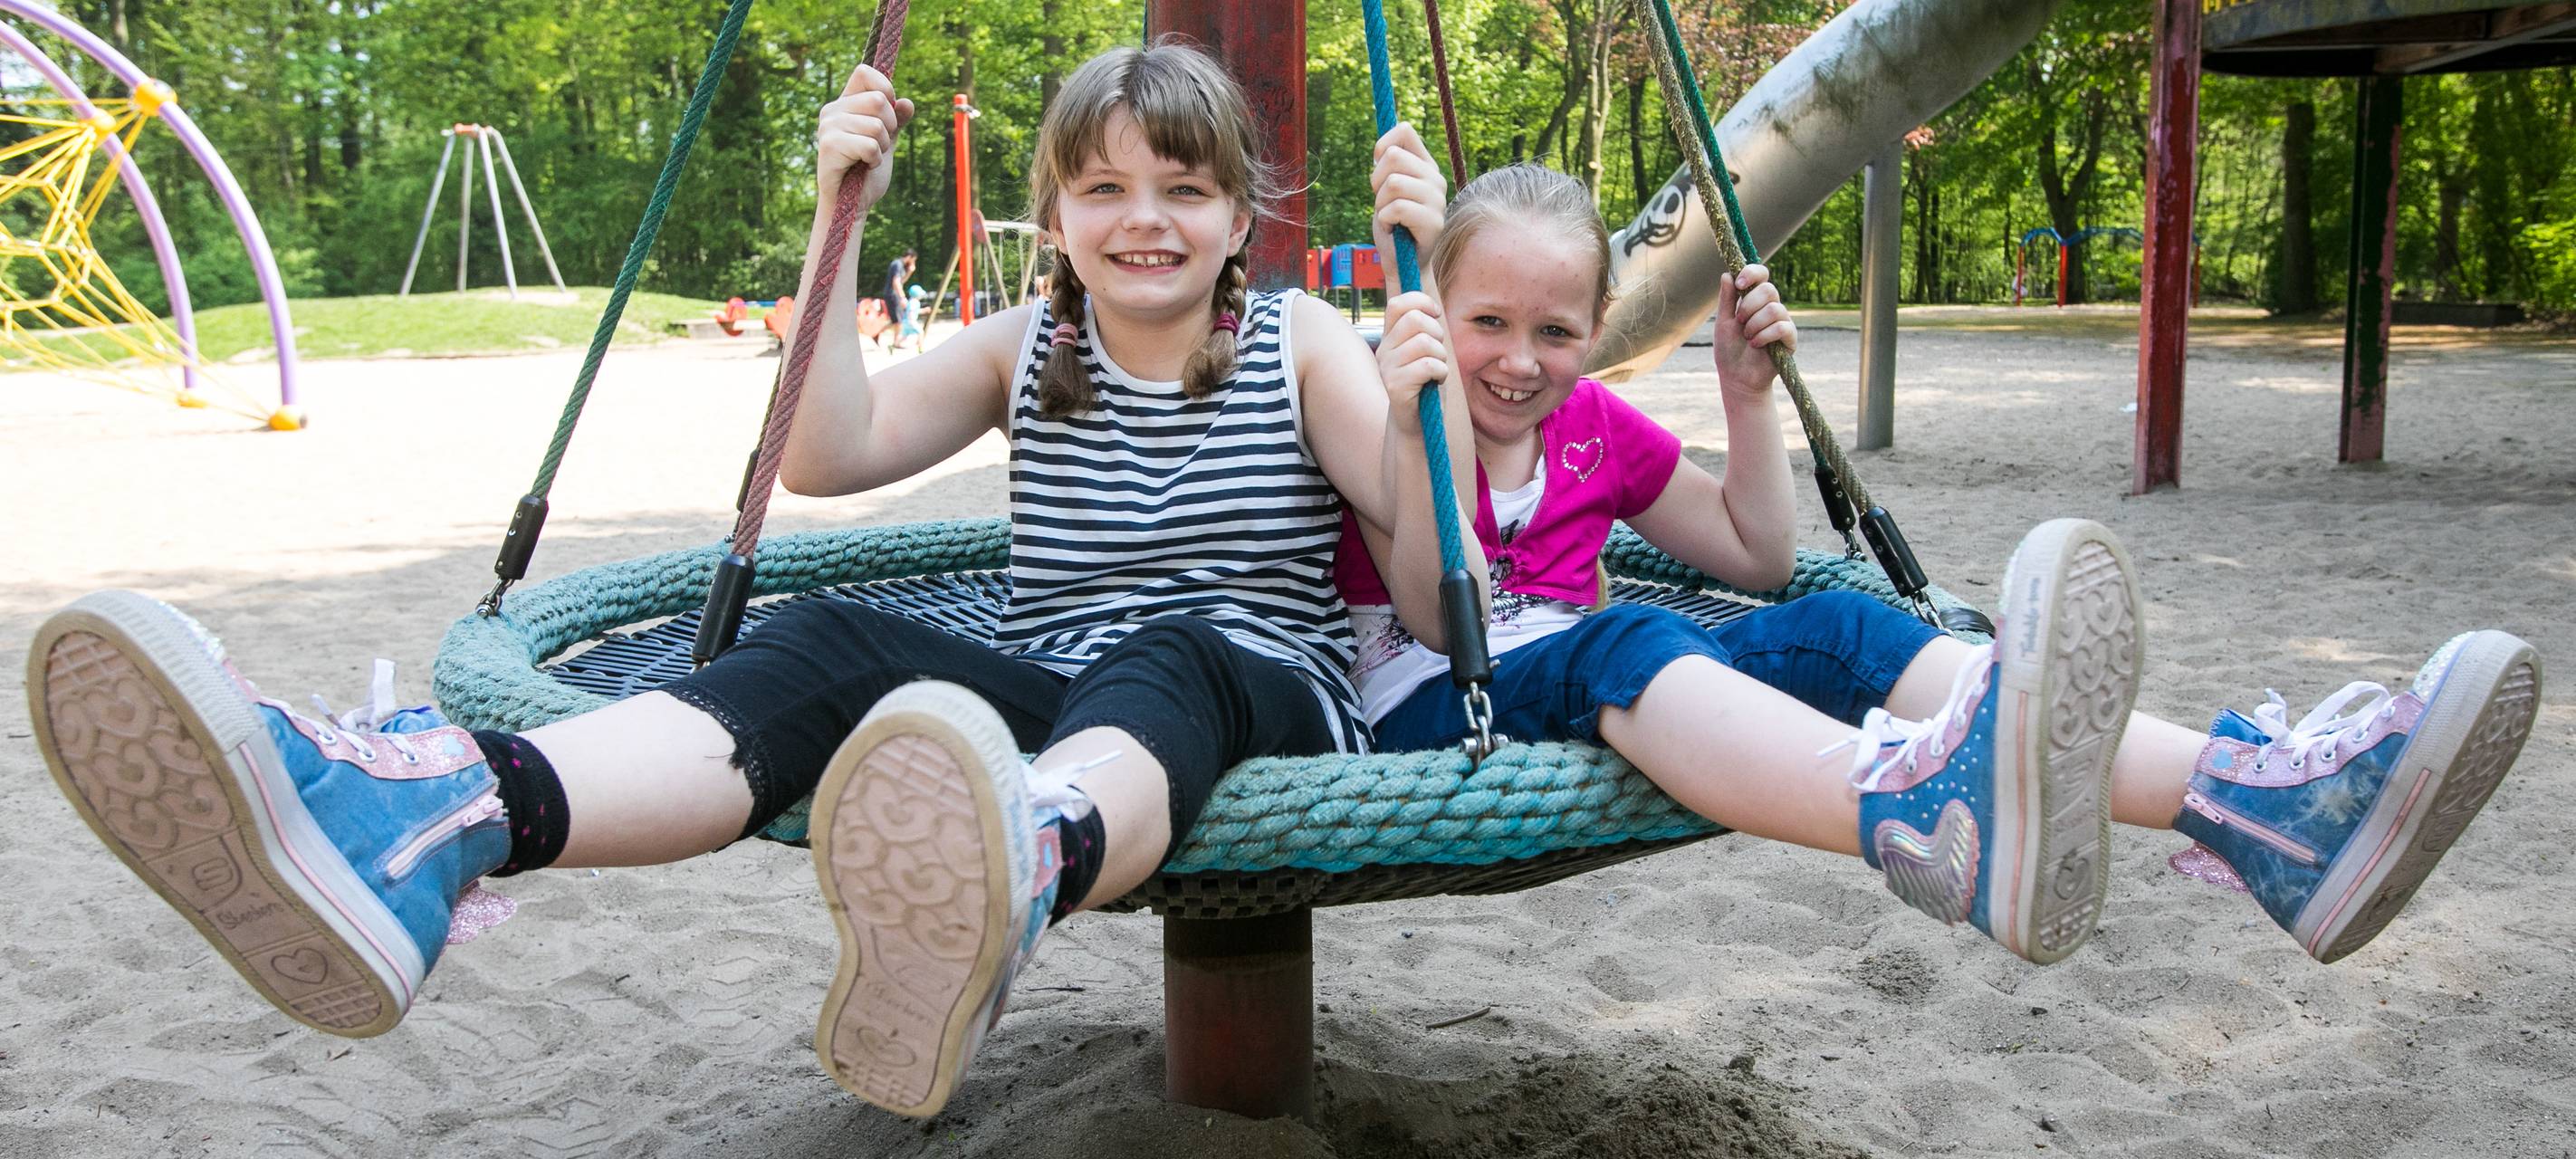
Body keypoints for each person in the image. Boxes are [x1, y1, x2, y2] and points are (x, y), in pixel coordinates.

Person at [23, 42, 1478, 1119]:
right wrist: (838, 221)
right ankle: (437, 819)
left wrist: (1436, 409)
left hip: (1258, 690)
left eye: (1183, 188)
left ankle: (1022, 860)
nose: (1142, 218)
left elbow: (1429, 598)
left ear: (1239, 215)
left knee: (1172, 654)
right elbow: (828, 453)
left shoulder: (1299, 341)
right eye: (1103, 187)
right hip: (1064, 696)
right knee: (833, 633)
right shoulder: (1027, 348)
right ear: (1055, 216)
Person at [1337, 161, 2543, 966]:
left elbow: (1759, 555)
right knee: (1630, 635)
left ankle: (2265, 805)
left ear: (1596, 329)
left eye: (1555, 331)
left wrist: (1746, 396)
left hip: (1592, 674)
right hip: (1449, 703)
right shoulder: (1399, 416)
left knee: (1842, 628)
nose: (1518, 360)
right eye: (1486, 322)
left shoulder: (1596, 427)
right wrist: (1413, 403)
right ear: (1437, 313)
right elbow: (1442, 618)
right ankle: (1910, 805)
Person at [873, 247, 916, 349]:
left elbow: (901, 282)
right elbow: (896, 282)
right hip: (892, 294)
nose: (913, 263)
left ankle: (877, 333)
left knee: (896, 320)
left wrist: (910, 272)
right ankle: (896, 342)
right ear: (910, 257)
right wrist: (902, 297)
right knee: (899, 320)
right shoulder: (898, 264)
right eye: (913, 260)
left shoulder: (899, 265)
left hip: (892, 294)